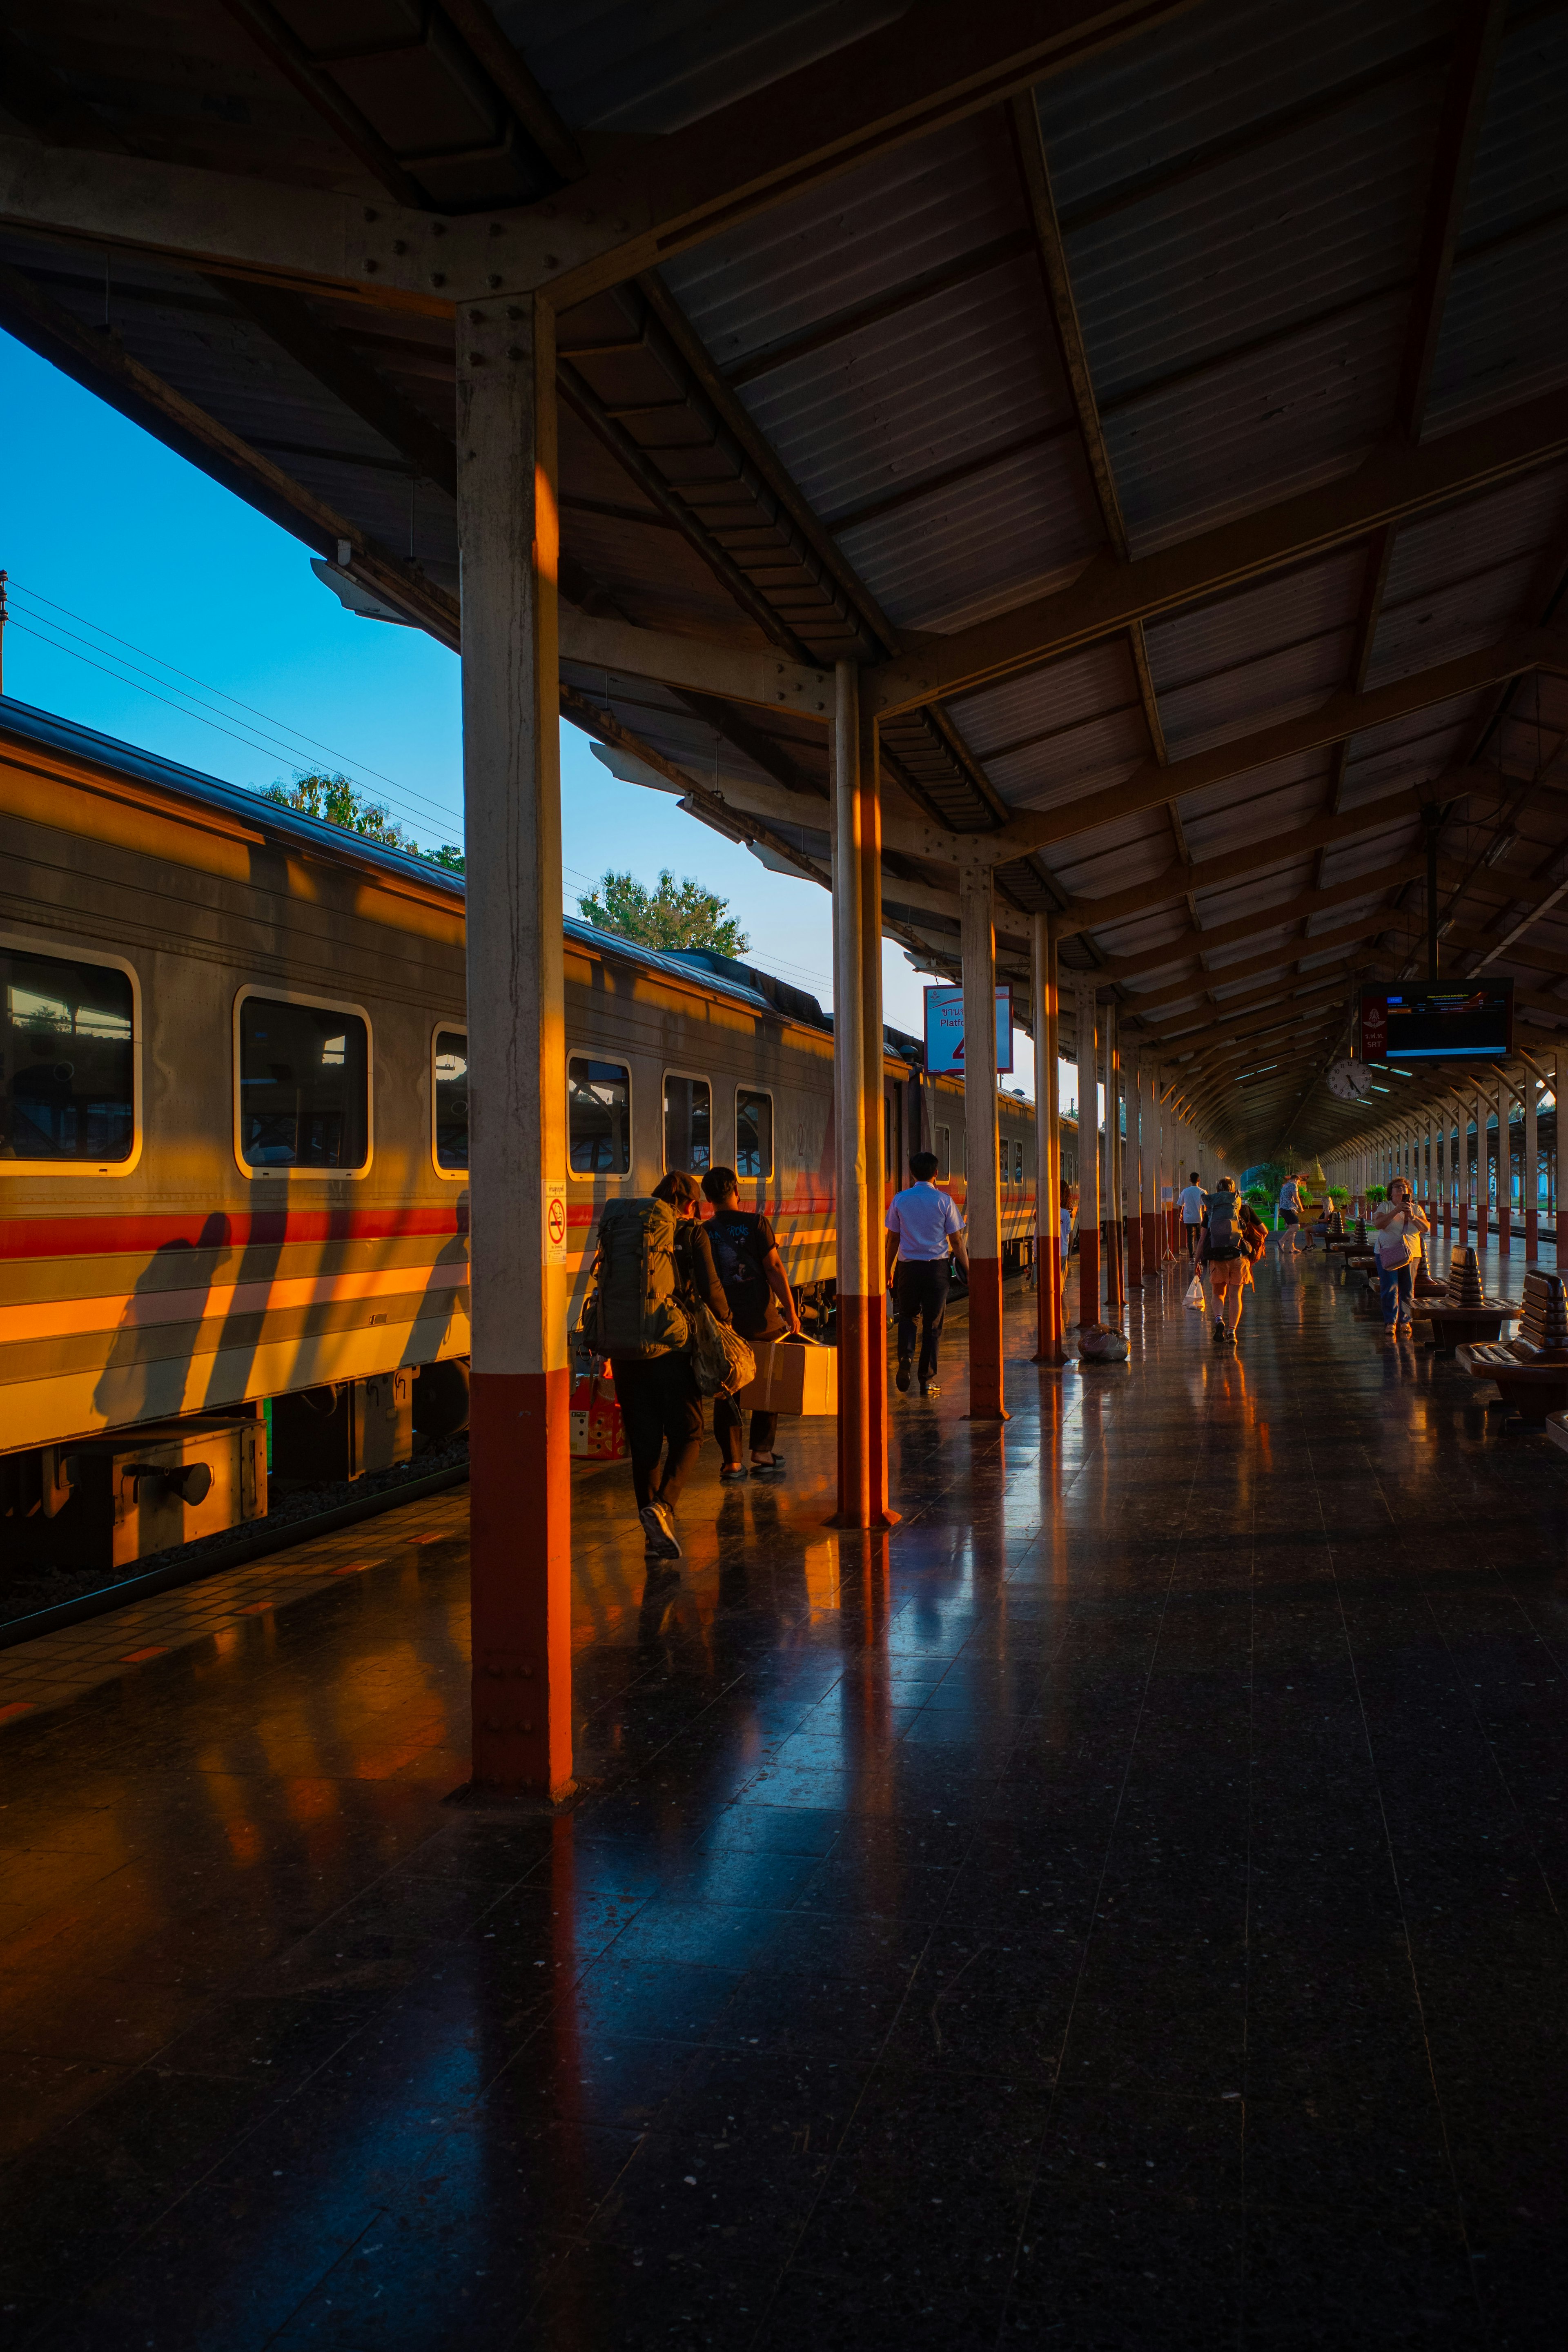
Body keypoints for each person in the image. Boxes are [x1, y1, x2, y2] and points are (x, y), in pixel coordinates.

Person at [608, 1171, 731, 1561]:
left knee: (644, 1446)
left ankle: (654, 1540)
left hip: (626, 1349)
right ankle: (662, 1508)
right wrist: (727, 1323)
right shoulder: (693, 1233)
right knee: (689, 1435)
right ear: (691, 1205)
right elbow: (710, 1289)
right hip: (672, 1349)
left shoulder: (629, 1231)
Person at [701, 1164, 800, 1480]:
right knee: (767, 1384)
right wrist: (791, 1309)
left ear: (708, 1198)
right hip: (761, 1319)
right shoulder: (756, 1224)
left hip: (723, 1325)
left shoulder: (703, 1232)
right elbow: (773, 1268)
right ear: (735, 1192)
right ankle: (762, 1450)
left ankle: (732, 1461)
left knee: (727, 1390)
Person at [885, 1149, 969, 1397]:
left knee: (909, 1317)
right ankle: (926, 1380)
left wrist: (887, 1270)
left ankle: (905, 1359)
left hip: (908, 1269)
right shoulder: (944, 1201)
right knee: (933, 1326)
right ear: (936, 1174)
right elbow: (956, 1240)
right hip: (936, 1270)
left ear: (911, 1174)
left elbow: (893, 1240)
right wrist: (967, 1268)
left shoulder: (900, 1200)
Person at [1198, 1175, 1263, 1345]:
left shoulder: (1210, 1211)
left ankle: (1219, 1320)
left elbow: (1203, 1238)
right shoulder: (1245, 1209)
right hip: (1239, 1257)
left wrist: (1198, 1260)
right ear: (1234, 1191)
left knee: (1218, 1294)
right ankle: (1232, 1333)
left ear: (1218, 1191)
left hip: (1217, 1257)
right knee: (1236, 1297)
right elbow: (1264, 1231)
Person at [1372, 1176, 1429, 1336]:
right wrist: (1397, 1211)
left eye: (1404, 1188)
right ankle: (1391, 1322)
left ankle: (1405, 1321)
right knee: (1389, 1287)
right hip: (1388, 1253)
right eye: (1397, 1187)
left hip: (1411, 1255)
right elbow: (1378, 1225)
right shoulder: (1385, 1206)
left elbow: (1425, 1228)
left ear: (1409, 1192)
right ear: (1391, 1193)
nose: (1401, 1190)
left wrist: (1412, 1216)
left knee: (1408, 1288)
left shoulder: (1416, 1209)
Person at [1178, 1169, 1207, 1261]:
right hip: (1199, 1219)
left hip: (1188, 1218)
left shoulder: (1185, 1191)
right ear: (1199, 1180)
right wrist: (1205, 1217)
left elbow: (1180, 1204)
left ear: (1190, 1180)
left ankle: (1192, 1256)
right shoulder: (1202, 1192)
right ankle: (1201, 1255)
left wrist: (1180, 1215)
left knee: (1190, 1238)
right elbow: (1204, 1207)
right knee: (1200, 1238)